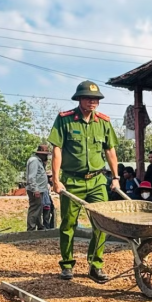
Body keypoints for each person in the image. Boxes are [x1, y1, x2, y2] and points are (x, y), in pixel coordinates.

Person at [49, 80, 121, 283]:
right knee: (69, 224)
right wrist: (56, 180)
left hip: (98, 180)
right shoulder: (65, 120)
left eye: (96, 99)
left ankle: (95, 265)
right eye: (88, 98)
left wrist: (115, 178)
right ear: (79, 99)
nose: (93, 102)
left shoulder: (104, 122)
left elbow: (110, 151)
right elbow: (57, 150)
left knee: (102, 224)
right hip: (72, 180)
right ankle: (67, 265)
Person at [25, 144, 51, 231]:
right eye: (45, 154)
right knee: (34, 209)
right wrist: (35, 190)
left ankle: (39, 226)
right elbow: (31, 177)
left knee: (38, 209)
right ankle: (31, 229)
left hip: (40, 189)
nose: (46, 156)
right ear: (41, 154)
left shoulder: (39, 161)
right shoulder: (34, 161)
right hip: (36, 190)